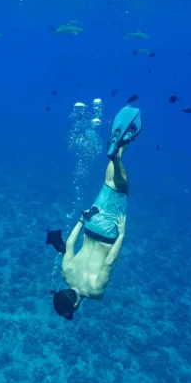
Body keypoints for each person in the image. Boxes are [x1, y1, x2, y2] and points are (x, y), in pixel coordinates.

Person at [51, 105, 142, 320]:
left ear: (73, 306)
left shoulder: (95, 292)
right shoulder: (65, 273)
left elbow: (109, 262)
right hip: (91, 225)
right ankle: (119, 148)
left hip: (108, 234)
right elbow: (70, 244)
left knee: (122, 188)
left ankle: (117, 156)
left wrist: (121, 235)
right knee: (109, 182)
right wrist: (81, 221)